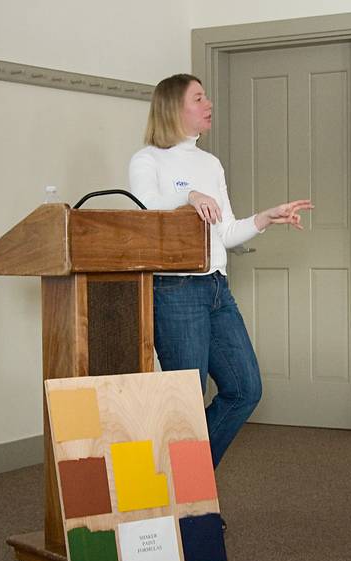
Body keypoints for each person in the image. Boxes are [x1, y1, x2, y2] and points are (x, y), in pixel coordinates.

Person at [129, 73, 312, 469]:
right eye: (199, 98)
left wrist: (265, 217)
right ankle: (185, 499)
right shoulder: (147, 160)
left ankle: (185, 481)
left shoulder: (210, 163)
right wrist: (188, 195)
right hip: (175, 291)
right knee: (186, 402)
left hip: (216, 289)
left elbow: (225, 232)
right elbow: (146, 211)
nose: (208, 103)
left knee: (245, 389)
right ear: (175, 108)